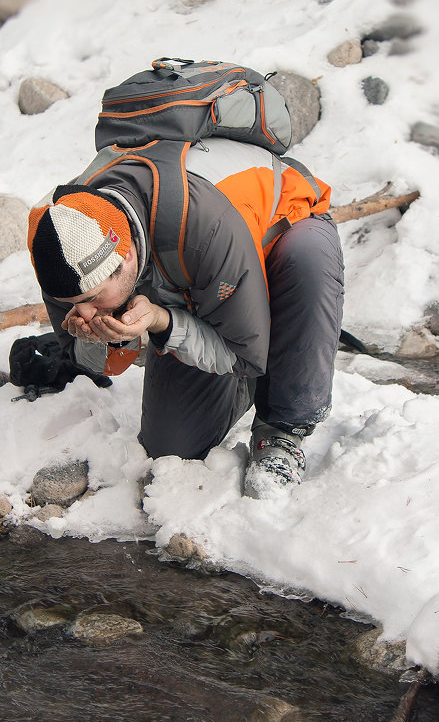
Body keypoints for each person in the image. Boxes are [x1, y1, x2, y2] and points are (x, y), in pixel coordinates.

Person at [28, 137, 344, 497]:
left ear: (127, 257)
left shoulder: (204, 227)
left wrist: (165, 321)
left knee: (306, 260)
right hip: (194, 276)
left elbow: (243, 355)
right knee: (172, 446)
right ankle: (251, 337)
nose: (81, 312)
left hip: (278, 226)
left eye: (92, 299)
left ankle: (284, 429)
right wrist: (113, 335)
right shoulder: (58, 244)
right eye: (71, 302)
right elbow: (100, 364)